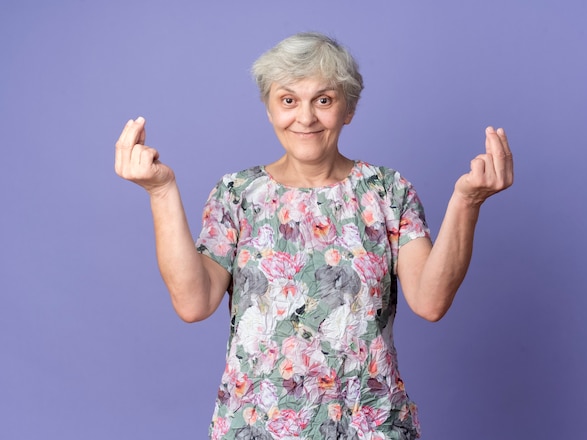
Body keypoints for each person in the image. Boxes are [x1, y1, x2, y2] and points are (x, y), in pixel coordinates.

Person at [114, 32, 513, 439]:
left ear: (349, 109)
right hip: (258, 425)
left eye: (323, 100)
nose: (305, 118)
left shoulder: (387, 191)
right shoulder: (236, 195)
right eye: (288, 100)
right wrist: (161, 192)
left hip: (368, 424)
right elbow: (193, 303)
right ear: (269, 109)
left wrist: (467, 202)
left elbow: (430, 302)